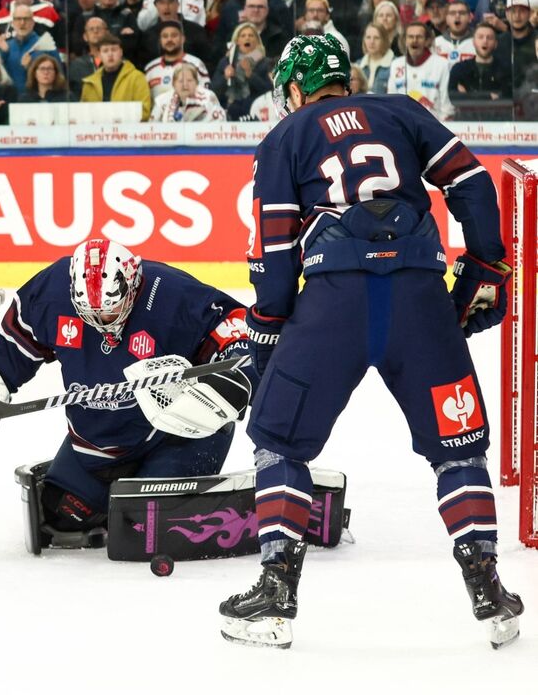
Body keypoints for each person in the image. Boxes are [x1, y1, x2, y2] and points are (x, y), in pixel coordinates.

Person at [219, 33, 523, 651]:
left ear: (296, 89)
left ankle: (276, 592)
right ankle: (489, 590)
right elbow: (473, 185)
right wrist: (486, 268)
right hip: (419, 299)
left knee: (278, 439)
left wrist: (268, 326)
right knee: (457, 447)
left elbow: (274, 249)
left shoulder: (286, 136)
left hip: (335, 306)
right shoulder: (403, 112)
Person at [0, 238, 255, 552]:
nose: (100, 324)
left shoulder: (171, 294)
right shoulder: (52, 293)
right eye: (88, 315)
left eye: (108, 312)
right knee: (58, 519)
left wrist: (234, 376)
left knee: (144, 528)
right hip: (95, 443)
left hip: (177, 434)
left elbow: (237, 327)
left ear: (133, 285)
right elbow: (13, 345)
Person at [388, 20, 455, 120]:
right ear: (405, 40)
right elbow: (391, 103)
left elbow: (447, 106)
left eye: (419, 37)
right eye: (410, 37)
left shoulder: (442, 64)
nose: (414, 40)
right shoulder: (396, 64)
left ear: (427, 41)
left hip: (433, 126)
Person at [82, 33, 151, 121]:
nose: (110, 54)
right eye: (105, 51)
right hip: (97, 132)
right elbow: (83, 114)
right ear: (99, 55)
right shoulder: (90, 83)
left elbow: (144, 111)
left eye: (114, 50)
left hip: (127, 132)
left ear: (121, 52)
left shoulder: (137, 77)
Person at [150, 61, 225, 121]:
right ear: (173, 84)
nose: (185, 85)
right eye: (181, 81)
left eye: (189, 80)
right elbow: (152, 128)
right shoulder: (162, 101)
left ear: (196, 83)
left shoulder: (208, 97)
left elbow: (220, 125)